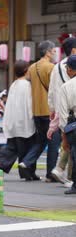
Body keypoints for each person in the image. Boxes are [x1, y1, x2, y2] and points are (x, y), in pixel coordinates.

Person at [21, 40, 59, 182]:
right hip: (49, 110)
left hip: (36, 110)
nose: (55, 53)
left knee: (41, 140)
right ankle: (51, 173)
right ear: (48, 52)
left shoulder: (32, 67)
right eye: (53, 50)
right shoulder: (51, 67)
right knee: (53, 143)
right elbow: (54, 88)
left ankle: (26, 162)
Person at [0, 61, 38, 181]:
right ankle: (28, 171)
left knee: (13, 145)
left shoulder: (14, 84)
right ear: (26, 70)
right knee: (27, 147)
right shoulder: (28, 85)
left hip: (13, 120)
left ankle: (2, 163)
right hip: (24, 120)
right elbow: (29, 104)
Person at [47, 37, 76, 186]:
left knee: (68, 142)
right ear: (73, 50)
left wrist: (52, 110)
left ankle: (62, 171)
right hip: (71, 110)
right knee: (71, 144)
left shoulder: (56, 67)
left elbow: (51, 91)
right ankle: (68, 175)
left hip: (60, 109)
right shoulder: (72, 65)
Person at [56, 54, 76, 194]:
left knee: (75, 155)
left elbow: (63, 115)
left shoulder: (66, 87)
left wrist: (64, 137)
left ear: (70, 70)